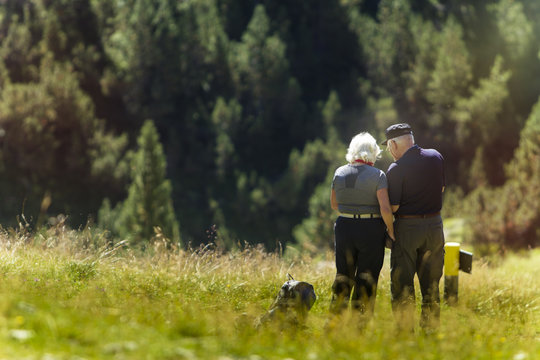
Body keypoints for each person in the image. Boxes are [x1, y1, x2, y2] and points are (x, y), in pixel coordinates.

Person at [382, 123, 445, 331]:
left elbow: (394, 206)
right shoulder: (435, 156)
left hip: (408, 229)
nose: (389, 151)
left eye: (388, 146)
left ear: (393, 143)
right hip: (435, 226)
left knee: (402, 285)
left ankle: (405, 335)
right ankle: (430, 332)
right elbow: (442, 188)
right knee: (432, 285)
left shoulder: (396, 169)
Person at [329, 132, 395, 315]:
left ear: (353, 150)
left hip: (344, 226)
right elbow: (385, 209)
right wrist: (391, 230)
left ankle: (335, 321)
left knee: (343, 275)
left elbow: (334, 204)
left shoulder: (339, 172)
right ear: (373, 152)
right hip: (370, 229)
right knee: (367, 278)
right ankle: (359, 325)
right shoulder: (378, 175)